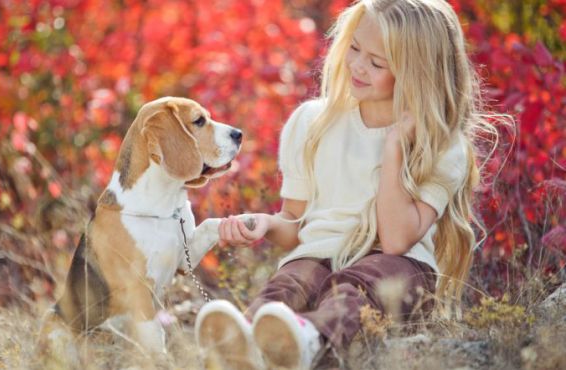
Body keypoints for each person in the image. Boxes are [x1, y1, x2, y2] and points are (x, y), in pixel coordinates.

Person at [195, 0, 502, 369]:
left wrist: (395, 150)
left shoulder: (440, 143)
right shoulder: (313, 122)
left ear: (415, 73)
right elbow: (295, 225)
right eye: (355, 47)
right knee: (291, 281)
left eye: (376, 62)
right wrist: (267, 224)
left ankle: (310, 338)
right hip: (320, 255)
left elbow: (395, 240)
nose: (357, 65)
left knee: (359, 286)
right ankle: (241, 345)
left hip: (397, 270)